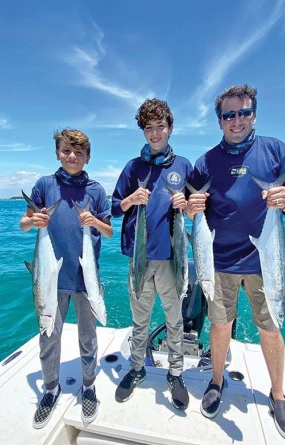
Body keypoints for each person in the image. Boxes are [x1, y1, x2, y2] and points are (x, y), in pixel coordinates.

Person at [186, 84, 285, 441]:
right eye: (228, 114)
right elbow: (196, 202)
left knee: (270, 327)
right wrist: (192, 206)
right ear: (219, 120)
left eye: (243, 113)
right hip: (219, 260)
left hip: (265, 261)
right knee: (220, 325)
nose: (236, 120)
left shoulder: (276, 151)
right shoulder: (206, 161)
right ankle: (217, 380)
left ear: (254, 114)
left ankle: (278, 395)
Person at [20, 128, 112, 428]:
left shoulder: (96, 190)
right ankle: (50, 388)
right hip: (50, 280)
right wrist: (34, 220)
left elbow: (109, 231)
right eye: (66, 151)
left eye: (79, 152)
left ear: (87, 156)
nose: (72, 157)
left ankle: (88, 385)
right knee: (49, 337)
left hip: (86, 279)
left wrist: (94, 220)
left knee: (88, 337)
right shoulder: (45, 185)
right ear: (58, 153)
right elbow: (23, 223)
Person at [111, 98, 192, 410]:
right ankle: (136, 368)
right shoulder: (133, 168)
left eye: (160, 127)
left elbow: (200, 208)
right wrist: (131, 199)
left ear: (170, 128)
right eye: (149, 128)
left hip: (172, 258)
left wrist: (185, 204)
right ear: (143, 131)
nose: (155, 133)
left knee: (175, 319)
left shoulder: (183, 166)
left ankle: (175, 373)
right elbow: (114, 209)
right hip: (139, 259)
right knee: (140, 319)